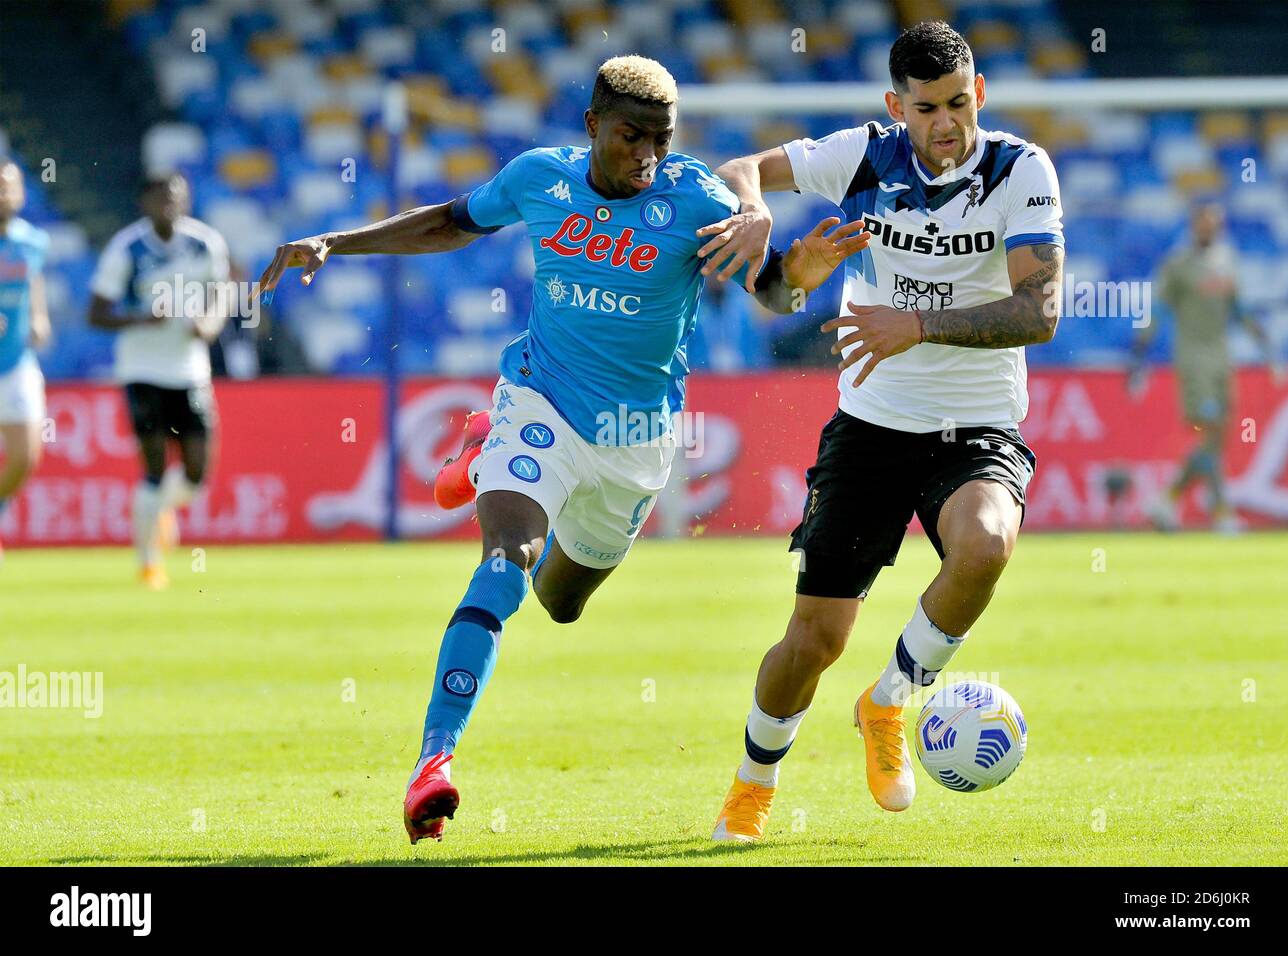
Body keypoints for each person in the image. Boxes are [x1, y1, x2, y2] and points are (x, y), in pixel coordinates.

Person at [257, 55, 869, 843]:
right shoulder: (539, 179)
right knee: (507, 564)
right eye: (629, 136)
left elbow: (773, 291)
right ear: (591, 127)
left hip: (634, 442)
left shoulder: (701, 202)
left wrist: (803, 271)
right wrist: (334, 242)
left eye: (661, 138)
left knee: (561, 602)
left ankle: (479, 458)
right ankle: (432, 764)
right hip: (539, 403)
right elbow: (450, 220)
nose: (646, 153)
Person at [695, 20, 1065, 840]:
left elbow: (1040, 313)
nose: (946, 124)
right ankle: (755, 782)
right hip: (872, 424)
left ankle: (890, 701)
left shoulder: (1019, 169)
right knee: (815, 638)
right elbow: (743, 175)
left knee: (988, 544)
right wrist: (767, 230)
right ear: (897, 106)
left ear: (981, 95)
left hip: (977, 424)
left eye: (959, 103)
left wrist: (918, 323)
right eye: (927, 107)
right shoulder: (861, 156)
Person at [89, 174, 230, 589]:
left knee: (195, 475)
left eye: (176, 197)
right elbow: (96, 313)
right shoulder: (127, 248)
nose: (168, 204)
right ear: (144, 202)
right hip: (143, 369)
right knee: (153, 467)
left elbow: (222, 294)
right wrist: (141, 319)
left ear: (186, 200)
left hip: (189, 370)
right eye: (159, 197)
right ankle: (149, 561)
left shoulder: (205, 243)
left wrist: (209, 322)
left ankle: (157, 514)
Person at [1133, 200, 1280, 534]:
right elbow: (1157, 310)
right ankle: (1222, 513)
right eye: (1202, 222)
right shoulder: (1179, 264)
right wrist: (1140, 354)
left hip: (1222, 360)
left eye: (1213, 222)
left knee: (1216, 439)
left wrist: (1267, 348)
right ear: (1193, 225)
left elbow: (1240, 310)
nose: (1208, 228)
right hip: (1193, 358)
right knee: (1209, 431)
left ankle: (1167, 501)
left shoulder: (1227, 261)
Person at [0, 160, 51, 562]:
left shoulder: (32, 240)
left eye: (10, 187)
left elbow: (33, 280)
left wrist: (39, 316)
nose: (5, 194)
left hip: (17, 362)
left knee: (26, 457)